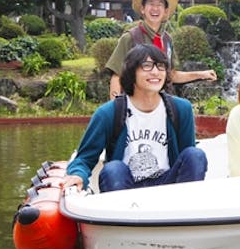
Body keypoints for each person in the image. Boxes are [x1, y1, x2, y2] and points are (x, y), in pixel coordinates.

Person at [62, 44, 208, 192]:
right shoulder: (108, 113)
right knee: (113, 169)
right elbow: (85, 158)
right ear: (132, 72)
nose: (156, 72)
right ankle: (124, 214)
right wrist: (78, 175)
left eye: (161, 66)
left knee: (195, 155)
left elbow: (187, 159)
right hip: (125, 187)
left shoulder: (181, 109)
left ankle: (186, 210)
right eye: (147, 66)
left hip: (167, 185)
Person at [105, 0, 217, 99]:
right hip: (135, 104)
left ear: (165, 11)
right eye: (151, 4)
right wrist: (117, 110)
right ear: (143, 9)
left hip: (161, 104)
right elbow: (117, 76)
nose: (155, 8)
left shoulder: (167, 40)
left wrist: (201, 74)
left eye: (160, 5)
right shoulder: (130, 38)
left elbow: (171, 75)